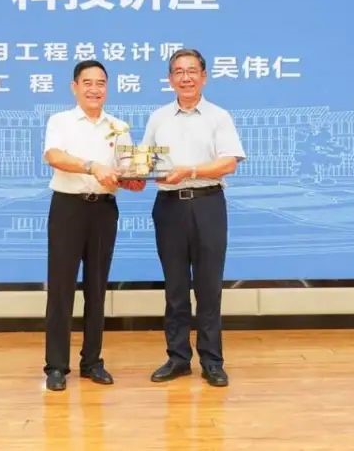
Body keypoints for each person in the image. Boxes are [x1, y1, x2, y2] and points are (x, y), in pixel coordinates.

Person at [141, 48, 246, 387]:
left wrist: (191, 171)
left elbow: (229, 162)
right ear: (170, 79)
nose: (185, 78)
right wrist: (132, 173)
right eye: (178, 72)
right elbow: (145, 160)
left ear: (204, 76)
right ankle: (178, 358)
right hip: (169, 206)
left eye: (191, 71)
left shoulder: (219, 117)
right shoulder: (158, 117)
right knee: (174, 287)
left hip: (207, 204)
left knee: (208, 287)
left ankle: (212, 361)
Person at [42, 59, 146, 391]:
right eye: (87, 83)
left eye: (100, 83)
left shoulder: (119, 127)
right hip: (68, 208)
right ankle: (56, 366)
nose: (94, 89)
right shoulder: (60, 121)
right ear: (74, 87)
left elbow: (128, 171)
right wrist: (93, 166)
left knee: (97, 287)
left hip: (103, 210)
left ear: (107, 88)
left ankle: (92, 361)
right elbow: (54, 157)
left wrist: (135, 179)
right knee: (61, 288)